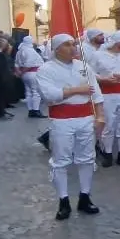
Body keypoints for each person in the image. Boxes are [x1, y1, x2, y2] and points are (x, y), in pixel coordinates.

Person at [36, 34, 106, 220]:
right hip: (61, 120)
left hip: (85, 117)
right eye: (67, 45)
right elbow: (49, 95)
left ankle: (85, 196)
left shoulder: (83, 66)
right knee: (61, 160)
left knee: (87, 158)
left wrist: (100, 115)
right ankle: (63, 200)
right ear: (57, 48)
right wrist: (76, 90)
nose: (72, 47)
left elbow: (96, 93)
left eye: (73, 44)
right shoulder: (46, 69)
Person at [89, 31, 120, 167]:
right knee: (108, 124)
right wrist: (103, 79)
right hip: (107, 94)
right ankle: (107, 153)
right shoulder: (98, 55)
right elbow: (90, 72)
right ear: (118, 43)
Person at [15, 36, 46, 118]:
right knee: (36, 92)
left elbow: (16, 63)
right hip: (33, 72)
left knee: (28, 92)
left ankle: (31, 110)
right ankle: (36, 110)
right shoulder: (30, 51)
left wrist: (19, 72)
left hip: (25, 74)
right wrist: (22, 72)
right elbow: (29, 64)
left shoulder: (20, 51)